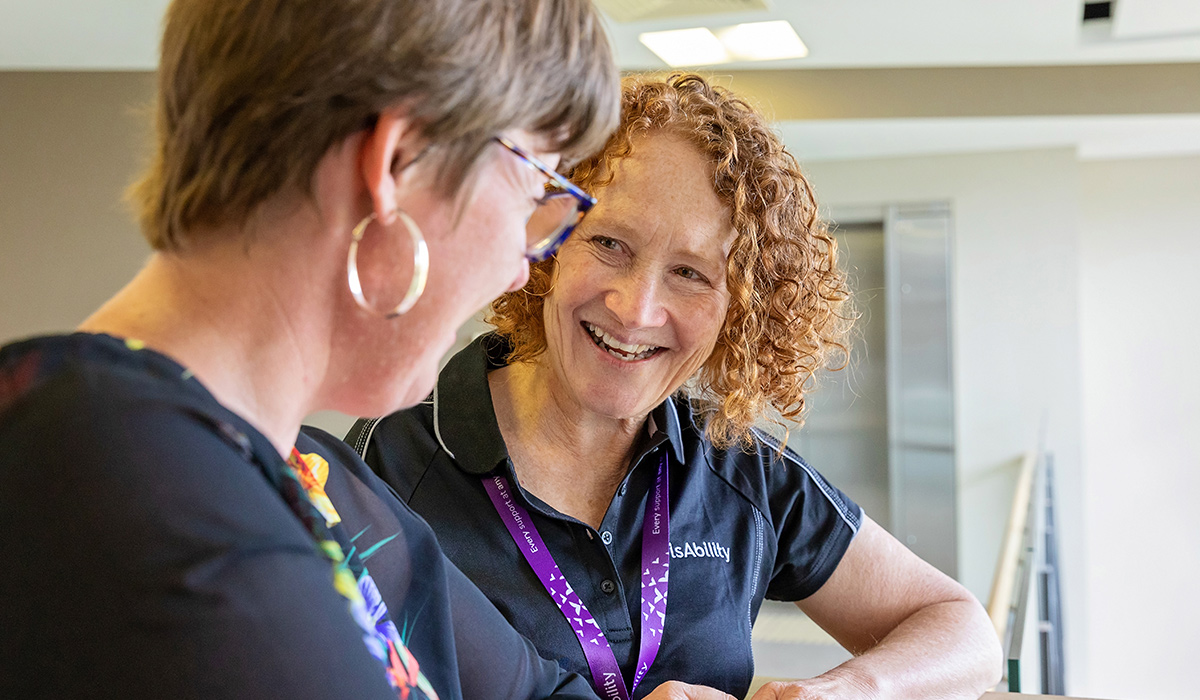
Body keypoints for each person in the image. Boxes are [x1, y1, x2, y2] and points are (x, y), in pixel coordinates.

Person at [0, 1, 626, 698]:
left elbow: (533, 691)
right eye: (536, 190)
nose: (523, 265)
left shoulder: (309, 474)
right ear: (397, 161)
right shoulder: (124, 485)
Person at [349, 74, 1004, 700]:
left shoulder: (739, 470)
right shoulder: (392, 455)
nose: (636, 310)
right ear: (548, 243)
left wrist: (844, 689)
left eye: (690, 273)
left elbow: (963, 629)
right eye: (609, 243)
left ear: (739, 310)